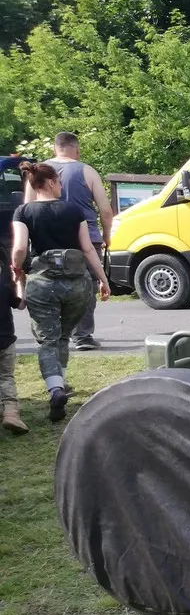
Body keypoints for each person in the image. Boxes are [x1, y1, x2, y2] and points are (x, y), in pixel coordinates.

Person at [10, 161, 110, 421]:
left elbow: (20, 248)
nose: (61, 186)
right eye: (60, 182)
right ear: (52, 182)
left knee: (47, 339)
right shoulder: (73, 209)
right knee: (64, 335)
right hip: (77, 285)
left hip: (42, 285)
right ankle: (61, 382)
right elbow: (88, 249)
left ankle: (55, 388)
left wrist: (16, 269)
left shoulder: (23, 212)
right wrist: (103, 279)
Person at [45, 131, 113, 351]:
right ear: (77, 149)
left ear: (54, 148)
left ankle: (54, 335)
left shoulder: (39, 172)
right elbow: (105, 210)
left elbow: (26, 208)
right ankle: (82, 337)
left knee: (51, 285)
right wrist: (106, 236)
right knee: (87, 285)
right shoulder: (87, 171)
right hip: (87, 239)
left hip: (48, 238)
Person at [0, 218, 27, 434]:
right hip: (5, 339)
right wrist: (20, 283)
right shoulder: (4, 283)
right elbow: (19, 305)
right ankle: (11, 413)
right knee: (6, 376)